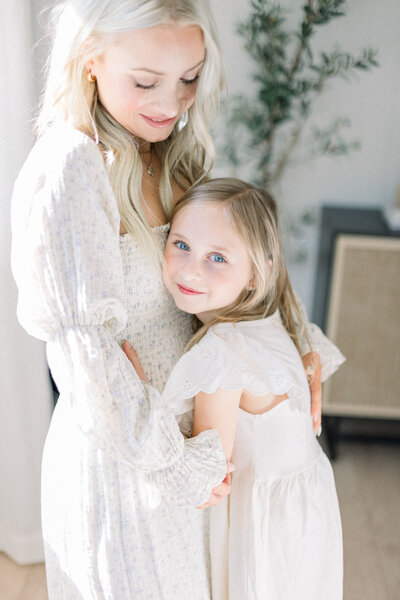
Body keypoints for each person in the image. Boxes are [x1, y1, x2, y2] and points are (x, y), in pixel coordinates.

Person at [11, 1, 339, 598]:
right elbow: (86, 356)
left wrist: (293, 344)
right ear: (90, 61)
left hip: (198, 447)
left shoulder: (168, 151)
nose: (171, 102)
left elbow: (234, 262)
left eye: (190, 77)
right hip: (132, 459)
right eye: (145, 81)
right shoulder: (71, 168)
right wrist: (174, 462)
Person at [156, 178, 344, 599]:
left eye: (217, 257)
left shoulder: (222, 353)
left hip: (264, 520)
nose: (190, 269)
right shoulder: (273, 318)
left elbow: (206, 470)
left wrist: (138, 394)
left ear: (255, 276)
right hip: (306, 507)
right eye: (181, 244)